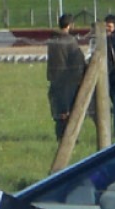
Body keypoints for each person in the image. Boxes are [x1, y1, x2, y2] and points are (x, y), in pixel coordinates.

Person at [46, 13, 87, 142]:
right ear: (70, 25)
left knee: (59, 112)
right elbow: (77, 59)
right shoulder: (70, 41)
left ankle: (60, 137)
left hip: (55, 78)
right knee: (70, 111)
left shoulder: (52, 40)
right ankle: (71, 138)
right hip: (69, 80)